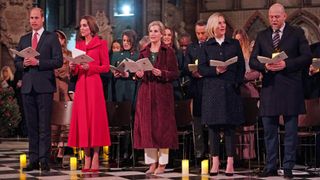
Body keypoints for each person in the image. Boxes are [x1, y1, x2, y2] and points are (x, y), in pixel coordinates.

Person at [249, 3, 312, 178]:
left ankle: (288, 167)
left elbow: (306, 57)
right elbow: (253, 61)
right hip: (270, 87)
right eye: (271, 17)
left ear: (284, 16)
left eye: (277, 16)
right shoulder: (262, 35)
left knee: (290, 131)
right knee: (269, 130)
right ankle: (270, 165)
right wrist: (265, 66)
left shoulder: (296, 33)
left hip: (291, 87)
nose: (274, 20)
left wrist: (286, 63)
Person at [14, 7, 63, 172]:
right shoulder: (24, 39)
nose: (33, 21)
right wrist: (24, 64)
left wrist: (39, 63)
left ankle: (44, 160)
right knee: (31, 126)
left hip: (44, 87)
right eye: (31, 18)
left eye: (36, 18)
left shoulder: (51, 38)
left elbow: (58, 61)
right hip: (27, 87)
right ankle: (33, 159)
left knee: (44, 125)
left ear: (43, 19)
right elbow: (16, 63)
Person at [198, 12, 245, 176]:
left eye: (223, 22)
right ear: (212, 26)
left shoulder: (233, 44)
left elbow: (241, 68)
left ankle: (230, 163)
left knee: (230, 127)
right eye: (219, 23)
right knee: (213, 128)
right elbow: (201, 68)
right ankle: (215, 162)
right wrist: (215, 70)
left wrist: (236, 82)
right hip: (212, 90)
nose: (222, 25)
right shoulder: (206, 46)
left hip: (230, 89)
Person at [134, 21, 179, 175]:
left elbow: (175, 73)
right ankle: (152, 163)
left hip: (162, 93)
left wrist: (163, 73)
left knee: (162, 128)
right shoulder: (144, 51)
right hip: (146, 92)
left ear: (161, 34)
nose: (152, 34)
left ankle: (162, 163)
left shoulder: (168, 52)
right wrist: (138, 74)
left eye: (155, 31)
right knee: (148, 127)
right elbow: (139, 70)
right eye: (150, 31)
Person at [68, 15, 111, 172]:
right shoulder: (78, 45)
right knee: (83, 120)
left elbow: (106, 67)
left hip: (94, 85)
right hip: (81, 85)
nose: (82, 28)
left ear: (91, 27)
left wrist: (91, 67)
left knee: (95, 120)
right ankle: (86, 156)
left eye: (85, 25)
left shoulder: (101, 44)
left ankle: (95, 156)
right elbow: (77, 69)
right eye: (81, 26)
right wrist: (74, 67)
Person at [233, 29, 259, 161]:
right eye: (236, 40)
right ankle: (237, 155)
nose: (238, 42)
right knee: (237, 125)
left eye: (240, 40)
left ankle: (249, 155)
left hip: (249, 92)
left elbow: (257, 72)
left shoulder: (250, 53)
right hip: (236, 92)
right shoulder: (232, 54)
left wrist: (244, 76)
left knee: (249, 125)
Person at [184, 19, 208, 162]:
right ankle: (199, 152)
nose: (200, 36)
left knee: (210, 121)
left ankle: (213, 151)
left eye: (203, 33)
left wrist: (205, 71)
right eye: (198, 33)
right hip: (196, 88)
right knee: (197, 121)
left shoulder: (212, 46)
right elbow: (186, 65)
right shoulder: (191, 48)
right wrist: (192, 71)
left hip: (209, 87)